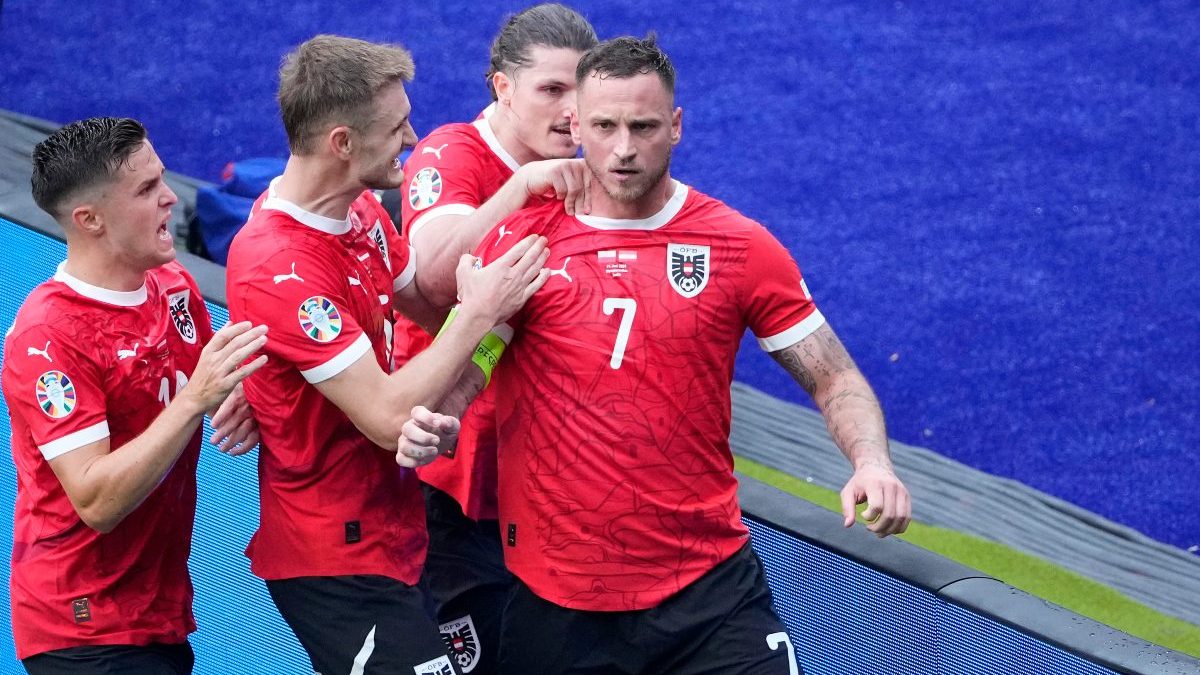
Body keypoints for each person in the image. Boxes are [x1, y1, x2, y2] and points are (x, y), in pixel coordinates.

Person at [466, 36, 914, 674]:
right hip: (557, 602)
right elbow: (475, 361)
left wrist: (872, 463)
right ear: (577, 127)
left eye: (643, 127)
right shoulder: (526, 237)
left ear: (675, 127)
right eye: (605, 126)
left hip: (708, 596)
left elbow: (832, 374)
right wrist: (440, 414)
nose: (623, 149)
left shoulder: (740, 246)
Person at [223, 35, 567, 675]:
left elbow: (439, 320)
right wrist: (482, 313)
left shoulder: (360, 214)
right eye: (396, 127)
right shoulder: (278, 264)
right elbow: (386, 412)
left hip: (398, 529)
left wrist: (469, 371)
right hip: (334, 560)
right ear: (342, 143)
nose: (413, 139)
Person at [3, 117, 267, 674]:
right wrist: (195, 400)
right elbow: (96, 501)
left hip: (158, 608)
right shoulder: (47, 338)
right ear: (89, 219)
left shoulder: (172, 284)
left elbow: (207, 390)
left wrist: (238, 401)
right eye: (146, 190)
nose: (172, 197)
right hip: (81, 625)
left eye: (162, 179)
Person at [395, 5, 597, 672]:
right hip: (455, 479)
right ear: (502, 88)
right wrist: (517, 189)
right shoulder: (452, 154)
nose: (572, 111)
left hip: (552, 483)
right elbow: (434, 279)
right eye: (551, 90)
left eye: (582, 90)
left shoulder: (590, 168)